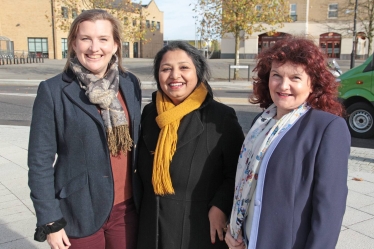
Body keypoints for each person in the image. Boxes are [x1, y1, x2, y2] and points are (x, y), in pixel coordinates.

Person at [28, 9, 141, 249]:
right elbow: (39, 161)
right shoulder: (53, 91)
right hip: (78, 211)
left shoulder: (130, 83)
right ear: (73, 43)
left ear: (115, 44)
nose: (94, 47)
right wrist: (49, 220)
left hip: (126, 209)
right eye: (85, 39)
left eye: (103, 39)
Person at [225, 37, 350, 249]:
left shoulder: (327, 127)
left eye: (295, 77)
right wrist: (233, 228)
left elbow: (329, 211)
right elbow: (247, 184)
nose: (283, 86)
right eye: (276, 75)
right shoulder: (261, 123)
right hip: (246, 241)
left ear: (313, 83)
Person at [136, 41, 244, 249]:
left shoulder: (220, 118)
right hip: (151, 229)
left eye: (184, 67)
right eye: (166, 69)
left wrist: (220, 206)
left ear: (198, 72)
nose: (175, 75)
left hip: (197, 231)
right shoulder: (150, 114)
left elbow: (238, 172)